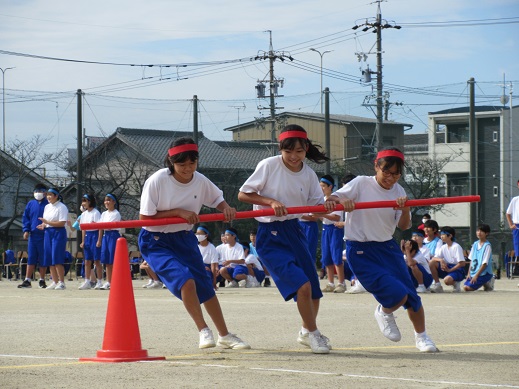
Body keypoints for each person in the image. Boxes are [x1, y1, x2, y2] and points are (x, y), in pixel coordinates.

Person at [138, 136, 249, 350]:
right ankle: (203, 330)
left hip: (184, 238)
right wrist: (178, 212)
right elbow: (145, 218)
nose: (188, 169)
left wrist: (225, 207)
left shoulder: (200, 179)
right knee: (185, 280)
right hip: (156, 241)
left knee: (205, 286)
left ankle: (224, 335)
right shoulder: (158, 180)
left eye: (192, 163)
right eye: (182, 164)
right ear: (171, 162)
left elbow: (216, 198)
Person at [327, 147, 438, 353]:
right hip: (360, 249)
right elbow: (329, 200)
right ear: (376, 167)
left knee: (411, 295)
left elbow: (403, 226)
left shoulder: (399, 192)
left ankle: (422, 337)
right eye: (386, 171)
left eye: (396, 174)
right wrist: (344, 201)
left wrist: (405, 208)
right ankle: (385, 311)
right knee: (396, 294)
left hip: (387, 247)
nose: (390, 177)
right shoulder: (361, 182)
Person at [238, 124, 334, 354]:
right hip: (269, 235)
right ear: (281, 149)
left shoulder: (309, 174)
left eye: (299, 151)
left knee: (313, 289)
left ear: (306, 149)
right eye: (288, 151)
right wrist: (270, 202)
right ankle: (314, 334)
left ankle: (306, 330)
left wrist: (330, 205)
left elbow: (315, 206)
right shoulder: (269, 165)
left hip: (295, 230)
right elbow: (243, 194)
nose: (293, 157)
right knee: (301, 286)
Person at [319, 175, 347, 293]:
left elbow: (336, 217)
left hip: (335, 229)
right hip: (326, 229)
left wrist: (321, 213)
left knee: (336, 256)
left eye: (324, 186)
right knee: (326, 257)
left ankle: (341, 283)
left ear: (330, 187)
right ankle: (330, 283)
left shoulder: (335, 199)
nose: (322, 189)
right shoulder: (321, 200)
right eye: (320, 186)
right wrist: (319, 215)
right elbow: (322, 218)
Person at [18, 183, 49, 288]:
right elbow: (26, 217)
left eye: (40, 191)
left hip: (45, 234)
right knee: (31, 257)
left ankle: (42, 279)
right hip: (33, 234)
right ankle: (27, 279)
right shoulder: (31, 204)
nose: (38, 193)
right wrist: (26, 230)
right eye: (36, 191)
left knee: (42, 258)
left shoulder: (48, 204)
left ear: (45, 192)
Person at [37, 188, 68, 290]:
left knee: (57, 258)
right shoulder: (47, 207)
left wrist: (48, 223)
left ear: (56, 196)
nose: (48, 197)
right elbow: (46, 221)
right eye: (47, 195)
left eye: (51, 195)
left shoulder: (62, 207)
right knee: (49, 257)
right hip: (48, 233)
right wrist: (43, 225)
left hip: (58, 232)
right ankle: (54, 281)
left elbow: (62, 222)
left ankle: (61, 282)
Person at [429, 226, 466, 293]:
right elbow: (434, 258)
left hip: (457, 270)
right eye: (441, 234)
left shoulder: (456, 246)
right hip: (447, 267)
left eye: (443, 234)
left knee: (447, 281)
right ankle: (438, 285)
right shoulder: (443, 247)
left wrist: (450, 270)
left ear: (450, 236)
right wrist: (441, 260)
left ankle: (456, 283)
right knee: (432, 262)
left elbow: (462, 263)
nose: (441, 236)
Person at [78, 193, 103, 290]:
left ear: (90, 202)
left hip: (95, 236)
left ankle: (100, 281)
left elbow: (100, 227)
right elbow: (84, 229)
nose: (83, 203)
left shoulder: (96, 213)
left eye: (85, 201)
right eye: (83, 201)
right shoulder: (83, 214)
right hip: (88, 236)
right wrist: (83, 241)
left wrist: (99, 240)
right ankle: (87, 281)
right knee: (87, 261)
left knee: (97, 261)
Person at [97, 194, 121, 290]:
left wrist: (100, 225)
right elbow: (101, 227)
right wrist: (99, 240)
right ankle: (108, 281)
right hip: (106, 236)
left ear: (114, 202)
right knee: (107, 261)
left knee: (113, 260)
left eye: (109, 200)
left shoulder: (116, 213)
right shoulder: (104, 214)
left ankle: (116, 281)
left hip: (113, 235)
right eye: (105, 200)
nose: (106, 202)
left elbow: (108, 226)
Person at [464, 224, 495, 292]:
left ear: (486, 233)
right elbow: (472, 260)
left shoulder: (487, 246)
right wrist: (469, 273)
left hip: (484, 273)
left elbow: (484, 263)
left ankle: (488, 280)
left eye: (481, 231)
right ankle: (485, 283)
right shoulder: (475, 244)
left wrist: (476, 276)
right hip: (474, 272)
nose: (479, 233)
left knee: (468, 288)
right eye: (478, 231)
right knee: (465, 287)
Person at [195, 225, 219, 290]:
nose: (197, 235)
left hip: (207, 269)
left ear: (206, 235)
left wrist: (214, 282)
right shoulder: (195, 247)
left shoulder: (212, 248)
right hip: (197, 267)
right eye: (197, 233)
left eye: (200, 233)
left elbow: (213, 266)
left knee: (206, 276)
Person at [506, 182, 519, 264]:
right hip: (517, 226)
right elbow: (508, 213)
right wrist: (511, 224)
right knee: (517, 245)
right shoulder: (515, 200)